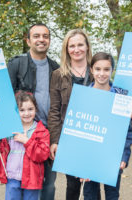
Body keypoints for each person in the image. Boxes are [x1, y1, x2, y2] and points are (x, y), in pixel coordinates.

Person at [7, 23, 59, 200]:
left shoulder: (56, 68)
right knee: (18, 181)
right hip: (23, 133)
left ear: (49, 40)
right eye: (36, 36)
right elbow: (5, 100)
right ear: (28, 40)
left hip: (48, 133)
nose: (41, 39)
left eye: (45, 36)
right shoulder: (16, 64)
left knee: (49, 183)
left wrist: (57, 138)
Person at [83, 52, 132, 200]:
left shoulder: (121, 98)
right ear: (91, 70)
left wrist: (124, 156)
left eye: (106, 69)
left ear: (112, 71)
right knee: (90, 196)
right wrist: (79, 162)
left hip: (113, 157)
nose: (102, 73)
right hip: (89, 158)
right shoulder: (83, 97)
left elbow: (127, 132)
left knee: (112, 196)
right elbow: (77, 132)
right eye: (98, 69)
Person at [48, 29, 94, 200]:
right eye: (72, 45)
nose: (76, 49)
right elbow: (54, 110)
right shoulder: (58, 75)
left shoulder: (97, 70)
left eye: (80, 44)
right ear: (66, 49)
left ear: (87, 47)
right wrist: (55, 140)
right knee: (73, 184)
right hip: (69, 137)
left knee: (93, 184)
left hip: (93, 135)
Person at [0, 91, 50, 200]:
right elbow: (1, 152)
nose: (26, 113)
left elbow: (42, 155)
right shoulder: (9, 130)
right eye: (22, 110)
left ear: (36, 109)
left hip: (32, 178)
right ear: (16, 111)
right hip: (12, 176)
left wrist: (27, 141)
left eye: (30, 109)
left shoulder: (42, 131)